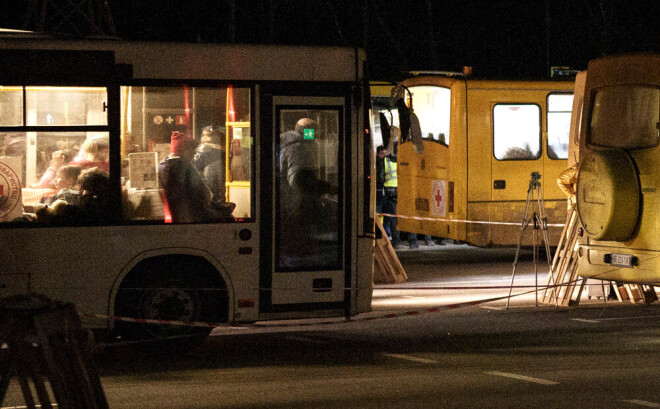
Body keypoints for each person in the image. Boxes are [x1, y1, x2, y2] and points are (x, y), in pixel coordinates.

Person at [279, 118, 338, 266]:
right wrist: (327, 188)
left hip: (290, 202)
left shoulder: (291, 145)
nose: (316, 135)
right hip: (296, 204)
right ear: (308, 132)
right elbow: (299, 181)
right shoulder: (299, 148)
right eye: (313, 131)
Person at [158, 131, 233, 223]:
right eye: (192, 150)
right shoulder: (187, 167)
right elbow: (207, 195)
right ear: (184, 150)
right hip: (193, 214)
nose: (194, 154)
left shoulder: (161, 166)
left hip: (173, 214)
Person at [193, 126, 226, 202]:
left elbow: (196, 166)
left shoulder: (203, 150)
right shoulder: (223, 154)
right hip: (216, 192)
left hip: (206, 190)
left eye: (206, 135)